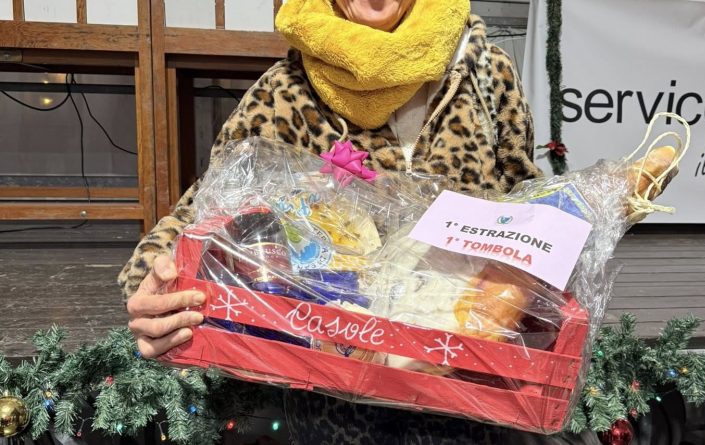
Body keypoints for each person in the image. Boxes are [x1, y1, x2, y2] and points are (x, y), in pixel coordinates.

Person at [122, 0, 549, 443]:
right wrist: (158, 282)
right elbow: (209, 206)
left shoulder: (483, 72)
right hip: (332, 399)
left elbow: (524, 197)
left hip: (468, 396)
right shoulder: (285, 90)